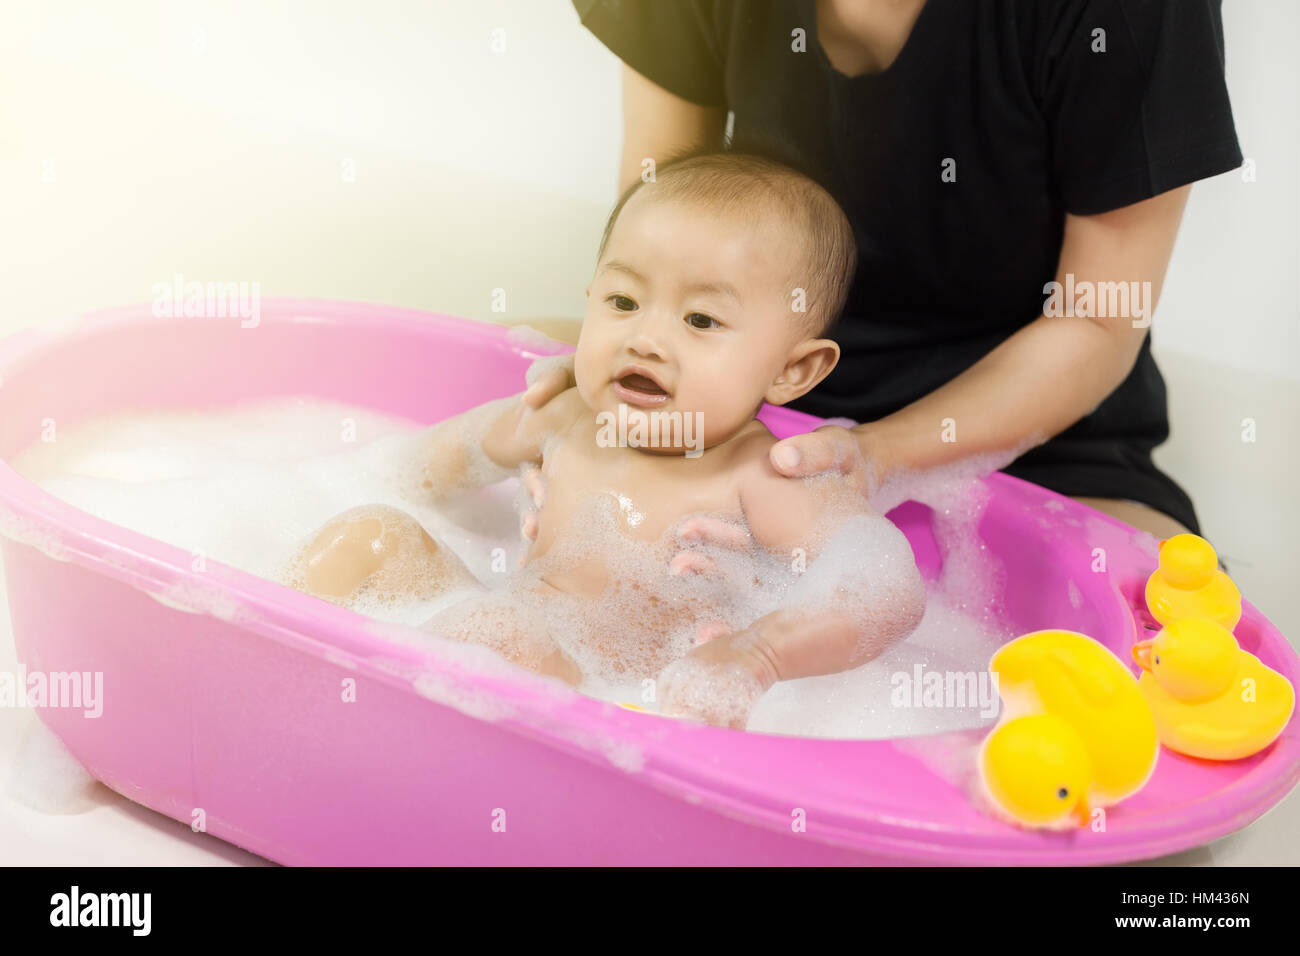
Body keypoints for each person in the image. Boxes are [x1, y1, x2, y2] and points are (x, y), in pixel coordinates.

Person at [530, 0, 1243, 546]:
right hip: (737, 384)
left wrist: (873, 459)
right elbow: (656, 238)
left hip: (1026, 437)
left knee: (1163, 656)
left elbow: (1094, 319)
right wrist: (620, 375)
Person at [289, 152, 926, 727]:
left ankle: (373, 729)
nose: (644, 338)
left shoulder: (761, 477)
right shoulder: (564, 420)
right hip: (496, 637)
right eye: (622, 302)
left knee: (499, 633)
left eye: (700, 318)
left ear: (793, 370)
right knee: (371, 534)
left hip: (610, 700)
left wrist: (756, 653)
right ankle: (279, 671)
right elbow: (427, 464)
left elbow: (884, 592)